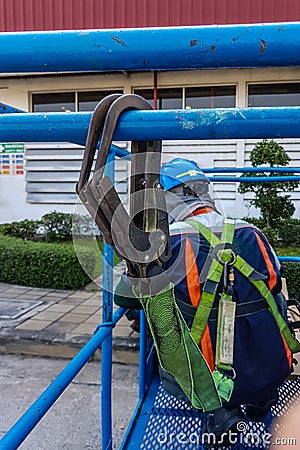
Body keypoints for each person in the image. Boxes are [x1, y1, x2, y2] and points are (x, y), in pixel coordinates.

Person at [114, 157, 297, 443]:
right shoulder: (251, 232)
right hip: (270, 367)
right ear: (205, 193)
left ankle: (216, 412)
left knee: (153, 314)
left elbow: (126, 301)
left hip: (207, 380)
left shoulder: (166, 244)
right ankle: (261, 396)